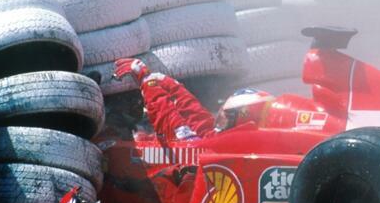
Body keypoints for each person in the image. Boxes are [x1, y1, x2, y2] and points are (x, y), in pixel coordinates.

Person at [113, 57, 275, 141]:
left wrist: (148, 83)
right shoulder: (226, 139)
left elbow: (173, 130)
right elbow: (200, 123)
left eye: (226, 117)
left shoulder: (223, 147)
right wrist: (167, 84)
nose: (219, 121)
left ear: (242, 119)